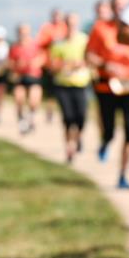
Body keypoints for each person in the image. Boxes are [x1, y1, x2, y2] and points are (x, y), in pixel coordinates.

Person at [86, 0, 129, 188]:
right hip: (106, 86)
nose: (121, 8)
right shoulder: (100, 28)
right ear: (112, 7)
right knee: (110, 130)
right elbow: (89, 56)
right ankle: (105, 141)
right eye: (117, 5)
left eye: (125, 5)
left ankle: (123, 175)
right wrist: (106, 65)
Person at [48, 12, 91, 163]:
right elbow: (52, 65)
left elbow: (90, 59)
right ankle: (69, 148)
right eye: (68, 23)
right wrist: (66, 65)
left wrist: (81, 64)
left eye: (73, 23)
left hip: (81, 84)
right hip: (63, 84)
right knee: (67, 118)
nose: (71, 26)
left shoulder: (85, 40)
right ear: (64, 24)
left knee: (81, 117)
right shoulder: (58, 43)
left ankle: (78, 136)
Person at [7, 23, 45, 135]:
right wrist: (17, 65)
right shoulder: (14, 47)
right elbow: (10, 63)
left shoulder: (35, 45)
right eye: (21, 32)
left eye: (25, 32)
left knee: (34, 100)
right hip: (20, 76)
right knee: (19, 99)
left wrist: (36, 62)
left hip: (33, 76)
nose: (23, 34)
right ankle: (21, 120)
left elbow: (43, 57)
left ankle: (31, 118)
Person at [36, 8, 68, 123]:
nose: (56, 18)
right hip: (49, 65)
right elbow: (40, 43)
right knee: (51, 92)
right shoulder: (46, 28)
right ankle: (49, 112)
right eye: (55, 15)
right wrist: (51, 40)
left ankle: (63, 112)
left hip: (64, 65)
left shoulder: (65, 27)